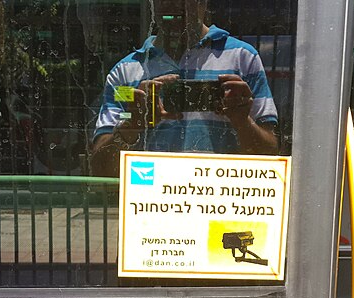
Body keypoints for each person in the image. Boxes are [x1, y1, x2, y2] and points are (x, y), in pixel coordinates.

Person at [90, 0, 279, 177]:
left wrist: (242, 121)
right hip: (183, 202)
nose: (173, 5)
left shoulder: (243, 59)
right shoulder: (124, 73)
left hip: (159, 202)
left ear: (202, 2)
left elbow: (270, 154)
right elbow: (101, 167)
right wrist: (132, 122)